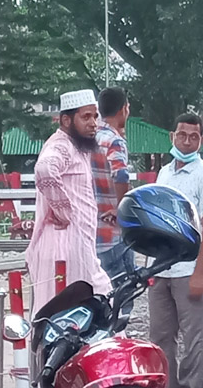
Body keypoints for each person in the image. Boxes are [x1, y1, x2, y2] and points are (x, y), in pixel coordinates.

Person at [150, 113, 203, 388]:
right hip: (162, 268)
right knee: (160, 336)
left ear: (202, 140)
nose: (187, 141)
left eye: (194, 137)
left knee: (193, 336)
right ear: (173, 136)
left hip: (191, 269)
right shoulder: (164, 173)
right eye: (182, 135)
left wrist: (199, 272)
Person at [25, 90, 114, 315]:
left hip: (75, 248)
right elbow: (45, 170)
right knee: (68, 319)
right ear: (66, 120)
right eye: (86, 117)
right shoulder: (61, 145)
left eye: (95, 116)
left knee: (95, 307)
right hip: (63, 249)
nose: (93, 123)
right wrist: (63, 210)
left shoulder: (76, 147)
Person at [91, 87, 134, 282]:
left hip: (92, 231)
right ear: (123, 109)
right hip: (113, 234)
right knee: (122, 294)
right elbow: (121, 175)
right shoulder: (114, 141)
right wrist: (121, 207)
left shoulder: (88, 138)